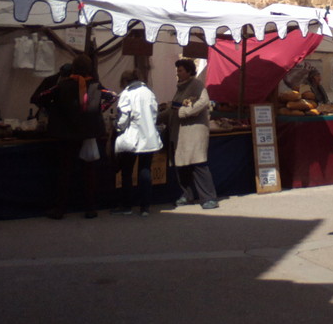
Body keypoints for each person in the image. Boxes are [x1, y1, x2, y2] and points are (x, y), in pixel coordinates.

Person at [36, 53, 116, 219]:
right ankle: (90, 207)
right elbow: (113, 96)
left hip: (67, 133)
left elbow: (40, 97)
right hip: (89, 133)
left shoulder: (63, 85)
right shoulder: (95, 84)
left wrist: (53, 110)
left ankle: (60, 209)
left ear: (73, 67)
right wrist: (98, 111)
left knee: (65, 171)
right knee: (89, 171)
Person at [162, 57, 219, 209]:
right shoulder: (181, 87)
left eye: (180, 70)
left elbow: (203, 102)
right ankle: (187, 195)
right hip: (180, 134)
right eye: (177, 70)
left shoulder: (197, 85)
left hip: (193, 133)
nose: (178, 73)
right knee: (183, 166)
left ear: (189, 71)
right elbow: (172, 109)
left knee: (198, 165)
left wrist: (183, 111)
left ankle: (209, 198)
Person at [112, 70, 162, 216]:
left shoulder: (127, 94)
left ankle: (127, 205)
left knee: (127, 172)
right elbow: (154, 115)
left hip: (132, 138)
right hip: (149, 137)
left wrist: (116, 126)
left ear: (125, 81)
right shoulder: (149, 93)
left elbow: (123, 119)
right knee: (145, 171)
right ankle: (145, 207)